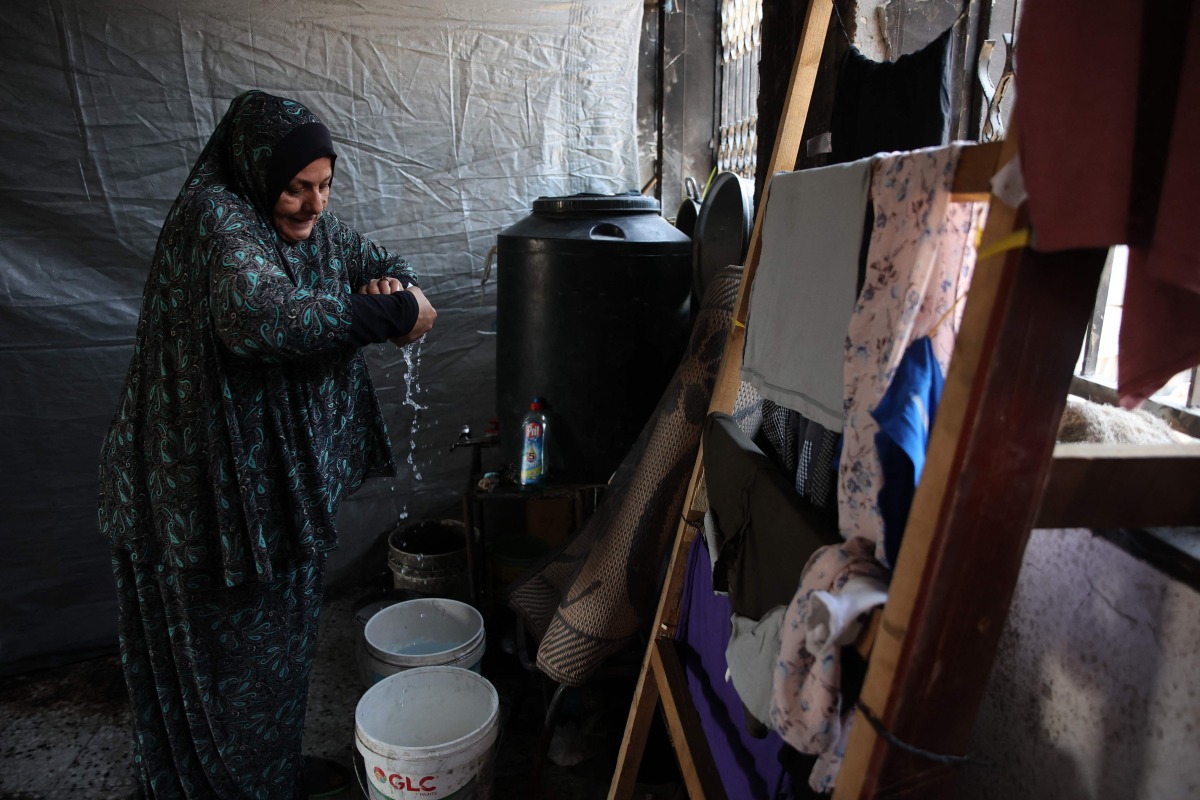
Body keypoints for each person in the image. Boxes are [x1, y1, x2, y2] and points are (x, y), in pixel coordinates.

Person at [97, 90, 435, 799]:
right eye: (295, 188)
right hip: (201, 498)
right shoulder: (216, 219)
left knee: (278, 653)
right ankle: (220, 786)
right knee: (224, 662)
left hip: (270, 494)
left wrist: (390, 284)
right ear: (255, 173)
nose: (314, 205)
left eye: (324, 185)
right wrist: (397, 308)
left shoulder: (317, 229)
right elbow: (265, 317)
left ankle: (268, 776)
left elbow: (380, 260)